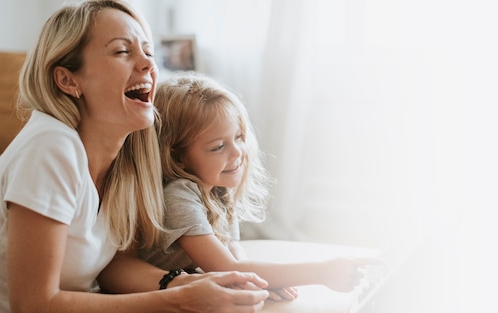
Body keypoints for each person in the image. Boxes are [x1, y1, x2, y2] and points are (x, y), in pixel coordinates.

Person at [0, 1, 270, 312]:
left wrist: (191, 284)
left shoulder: (125, 152)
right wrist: (180, 300)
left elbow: (117, 264)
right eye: (122, 51)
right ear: (68, 80)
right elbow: (33, 305)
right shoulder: (50, 147)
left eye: (148, 51)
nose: (146, 64)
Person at [141, 72, 382, 301]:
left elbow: (232, 249)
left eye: (238, 137)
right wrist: (322, 272)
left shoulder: (216, 187)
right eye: (218, 147)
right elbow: (228, 267)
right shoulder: (179, 195)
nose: (237, 152)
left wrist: (256, 280)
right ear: (177, 157)